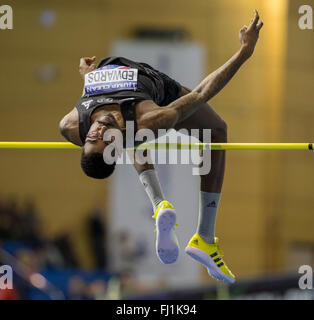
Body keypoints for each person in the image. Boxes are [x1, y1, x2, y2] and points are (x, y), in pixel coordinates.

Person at [59, 10, 263, 284]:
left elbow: (87, 103)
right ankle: (204, 236)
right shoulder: (152, 119)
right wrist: (244, 52)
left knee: (132, 133)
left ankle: (162, 207)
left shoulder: (72, 126)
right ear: (113, 148)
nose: (96, 131)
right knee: (216, 130)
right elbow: (201, 93)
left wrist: (86, 75)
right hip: (156, 87)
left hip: (107, 79)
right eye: (103, 140)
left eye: (91, 138)